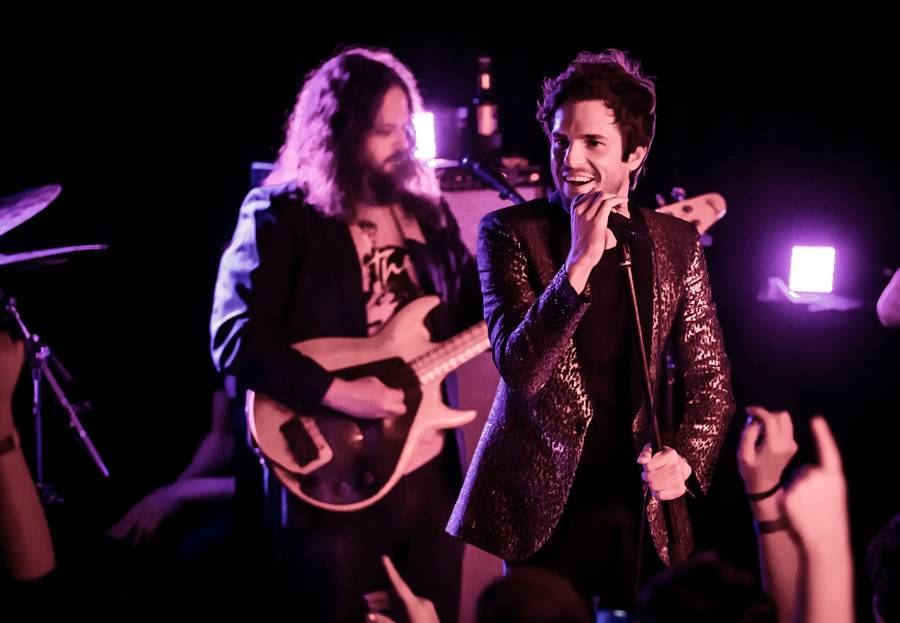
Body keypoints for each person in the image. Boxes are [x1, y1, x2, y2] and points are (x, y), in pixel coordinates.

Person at [448, 49, 734, 611]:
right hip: (542, 508)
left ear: (635, 153)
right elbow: (521, 370)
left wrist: (684, 459)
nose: (570, 159)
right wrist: (577, 264)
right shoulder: (509, 234)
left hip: (640, 506)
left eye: (593, 143)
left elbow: (711, 381)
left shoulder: (674, 243)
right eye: (560, 141)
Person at [210, 46, 481, 622]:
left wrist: (559, 279)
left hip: (427, 469)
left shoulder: (425, 213)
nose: (402, 144)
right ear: (338, 134)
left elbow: (473, 314)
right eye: (384, 132)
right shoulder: (281, 213)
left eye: (405, 128)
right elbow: (234, 337)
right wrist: (339, 393)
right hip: (331, 480)